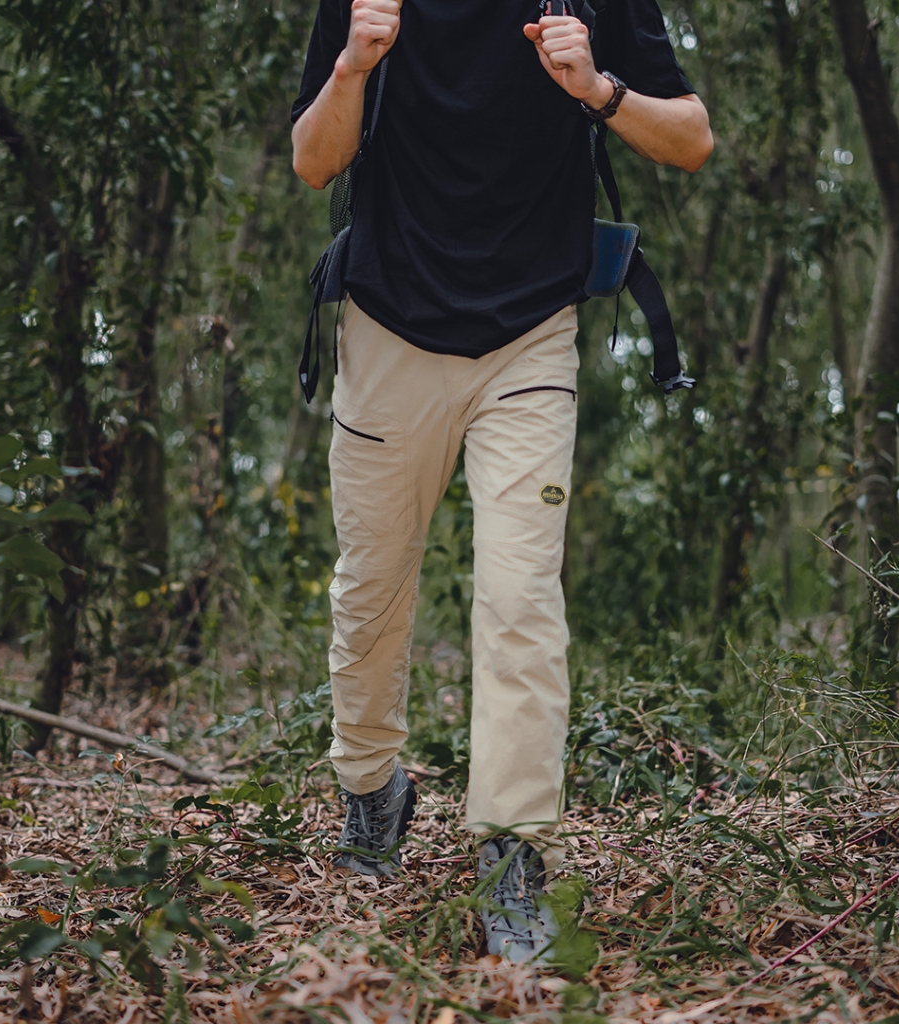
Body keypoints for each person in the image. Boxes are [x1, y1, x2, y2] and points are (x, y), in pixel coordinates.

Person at [290, 0, 712, 962]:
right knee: (370, 591)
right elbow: (315, 162)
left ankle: (515, 855)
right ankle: (372, 790)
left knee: (522, 597)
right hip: (387, 325)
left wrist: (599, 90)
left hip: (531, 336)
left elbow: (691, 138)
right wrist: (355, 64)